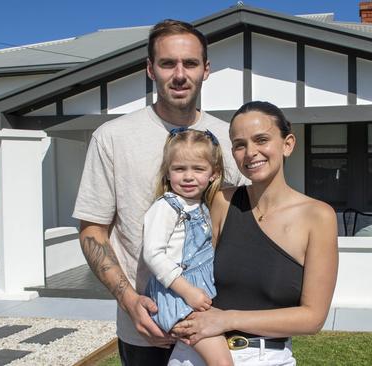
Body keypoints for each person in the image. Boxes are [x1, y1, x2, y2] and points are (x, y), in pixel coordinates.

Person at [72, 20, 246, 366]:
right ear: (150, 69)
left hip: (214, 320)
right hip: (146, 329)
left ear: (206, 70)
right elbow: (92, 231)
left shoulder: (229, 139)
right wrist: (129, 301)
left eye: (191, 63)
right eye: (168, 63)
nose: (180, 74)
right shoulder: (113, 137)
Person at [169, 101, 339, 365]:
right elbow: (187, 271)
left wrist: (228, 319)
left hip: (266, 356)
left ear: (288, 144)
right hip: (197, 353)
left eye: (261, 139)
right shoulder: (222, 202)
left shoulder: (318, 217)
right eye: (239, 144)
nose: (250, 152)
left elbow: (313, 317)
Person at [143, 128, 233, 366]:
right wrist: (187, 291)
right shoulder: (166, 207)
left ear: (214, 174)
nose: (188, 176)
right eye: (179, 168)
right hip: (178, 297)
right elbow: (152, 255)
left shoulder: (201, 206)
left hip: (195, 296)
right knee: (222, 362)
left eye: (198, 168)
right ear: (168, 172)